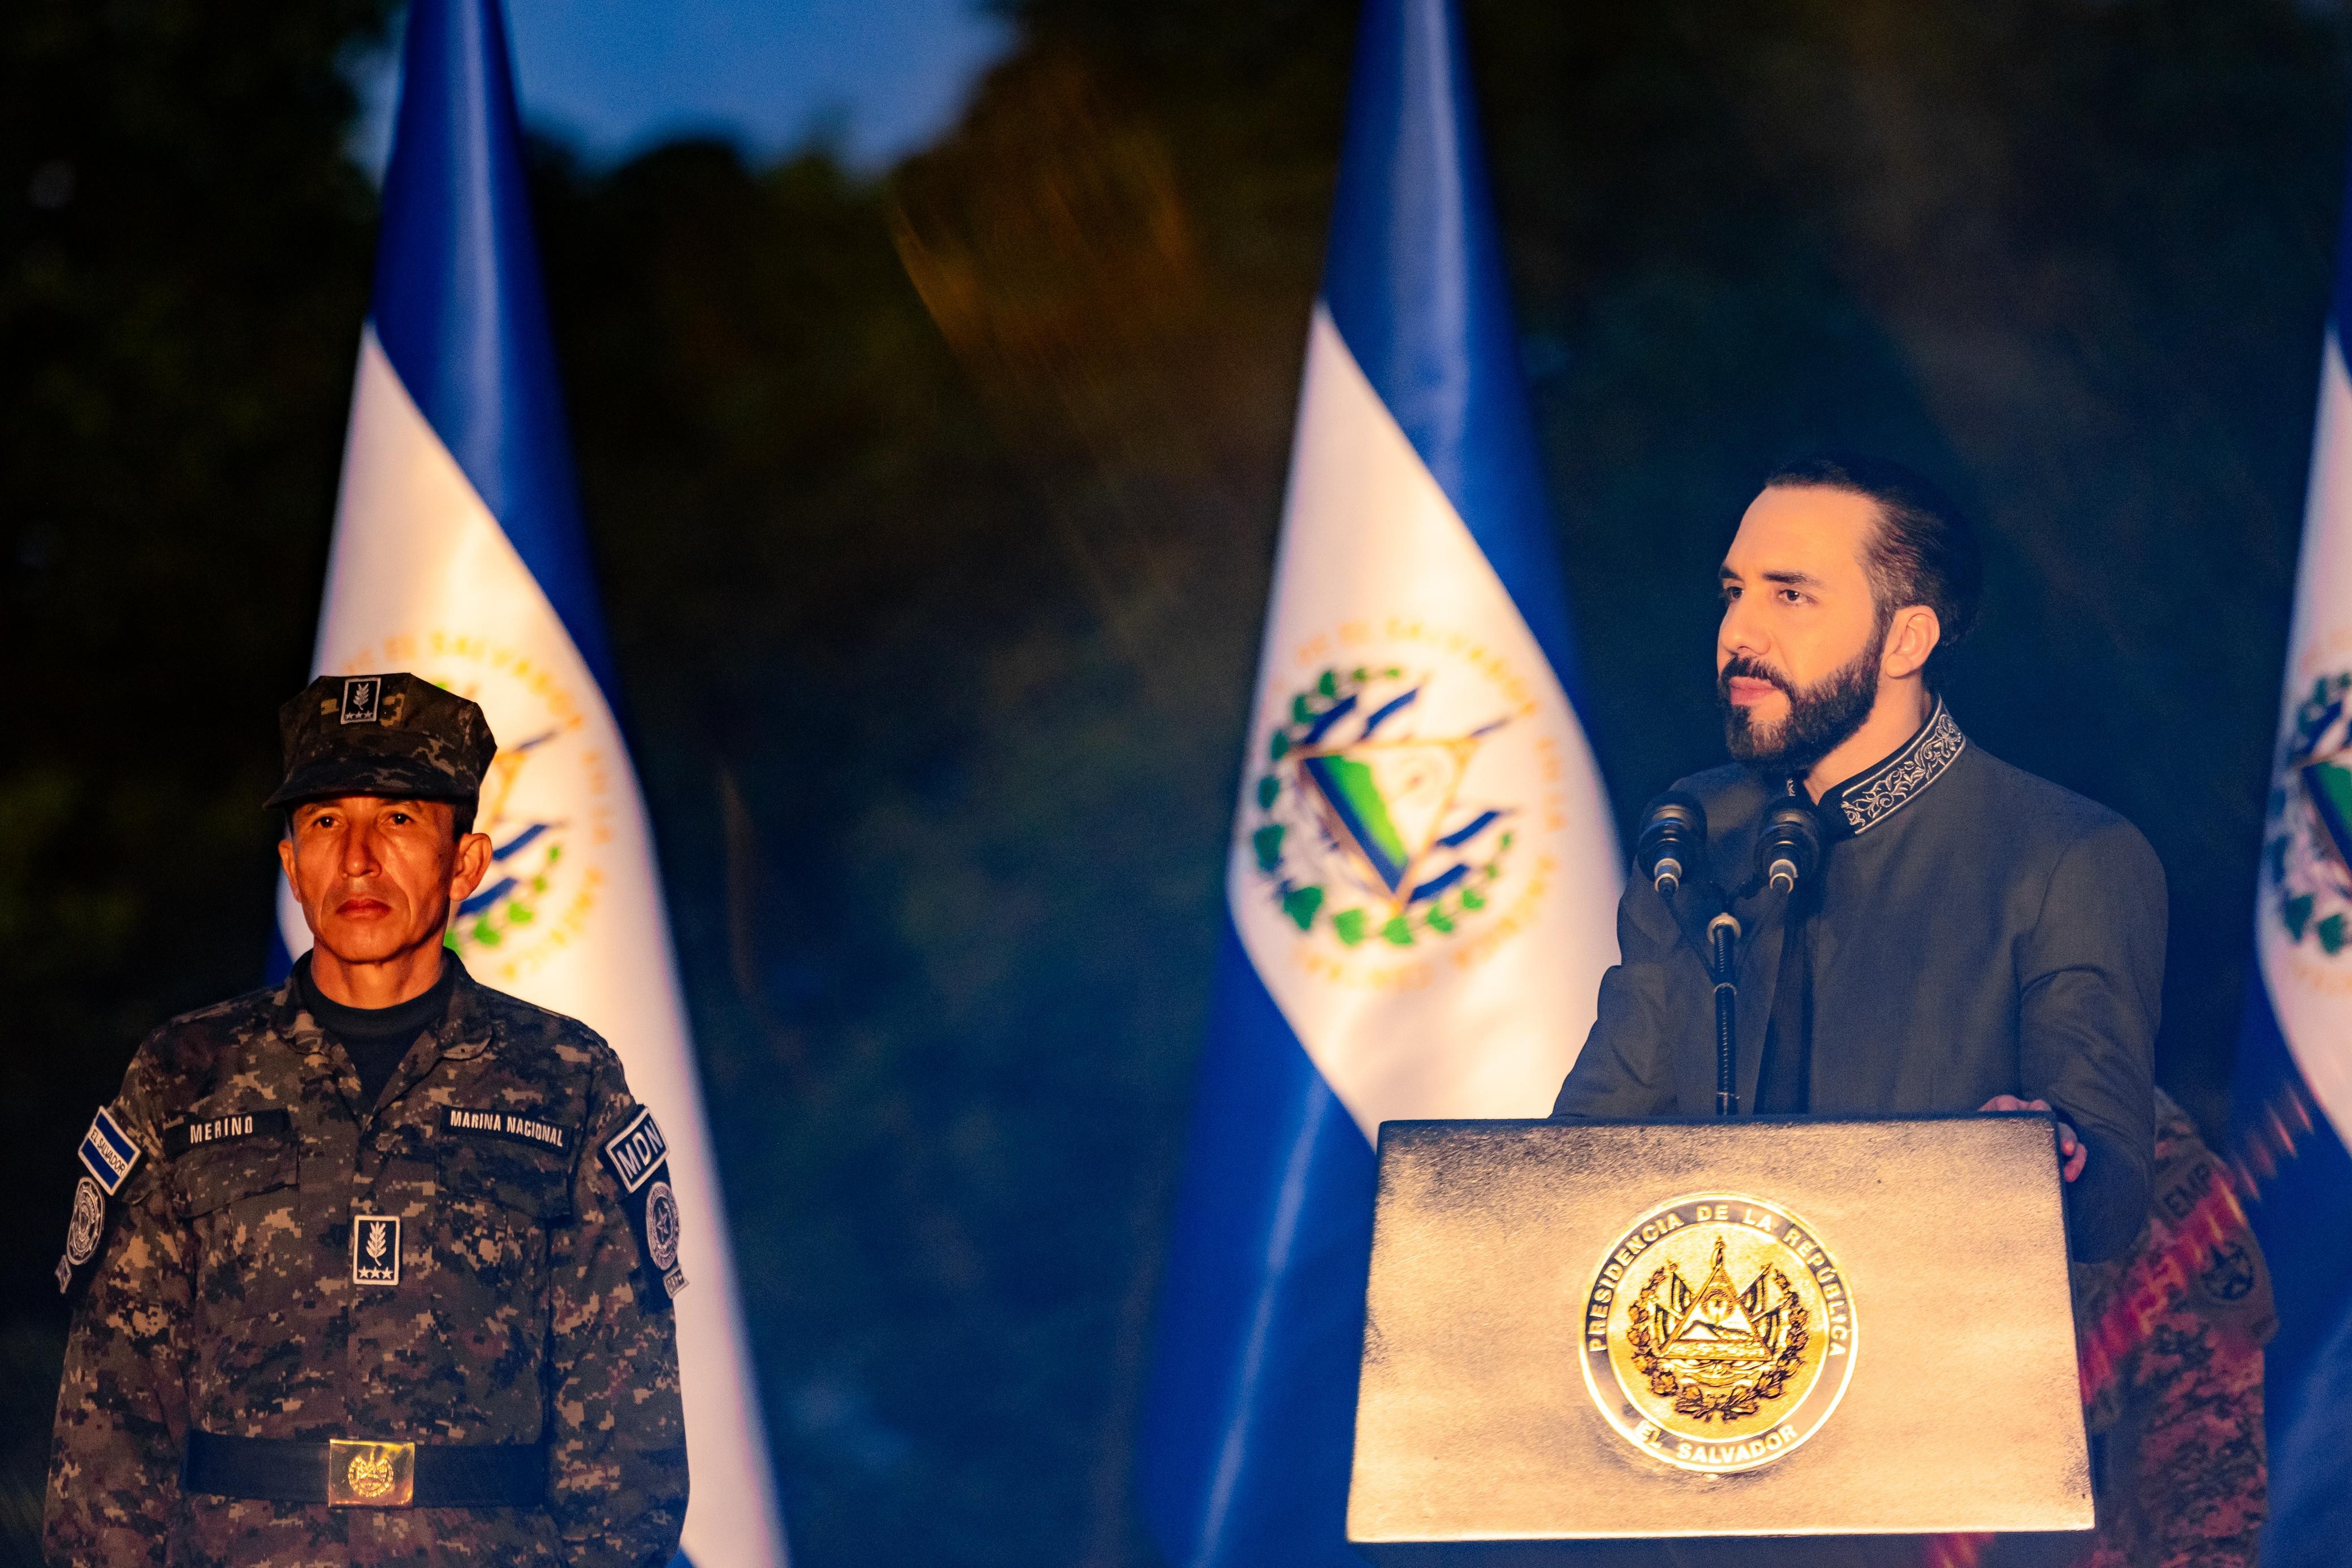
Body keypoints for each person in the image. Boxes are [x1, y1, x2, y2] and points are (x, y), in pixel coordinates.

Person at [46, 673, 688, 1566]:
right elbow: (112, 1423)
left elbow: (626, 1434)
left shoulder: (565, 1080)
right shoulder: (186, 1075)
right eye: (324, 822)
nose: (356, 858)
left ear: (465, 862)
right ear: (291, 866)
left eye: (397, 818)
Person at [1553, 454, 2162, 1261]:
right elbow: (1588, 1145)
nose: (1737, 634)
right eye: (1734, 593)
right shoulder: (1693, 830)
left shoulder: (2063, 856)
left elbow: (2112, 1194)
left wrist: (2049, 1159)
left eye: (1790, 595)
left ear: (1906, 639)